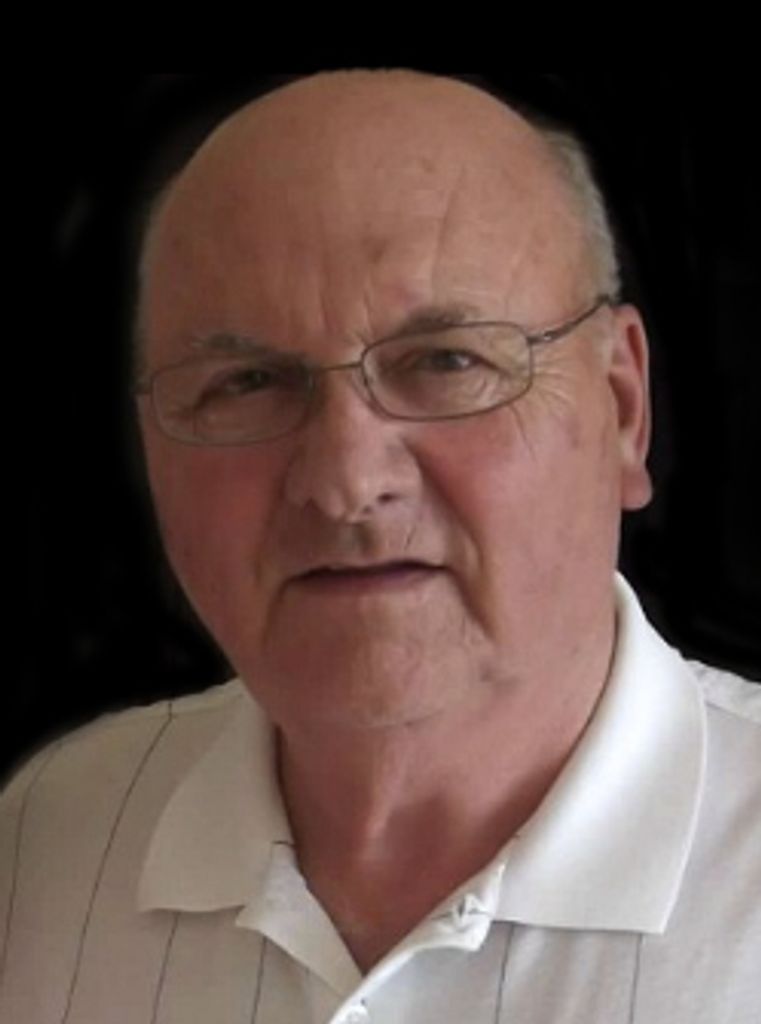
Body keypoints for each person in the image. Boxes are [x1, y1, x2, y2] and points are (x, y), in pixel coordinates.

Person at [1, 70, 758, 1024]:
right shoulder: (45, 843)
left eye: (447, 362)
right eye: (245, 383)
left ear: (621, 408)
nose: (346, 482)